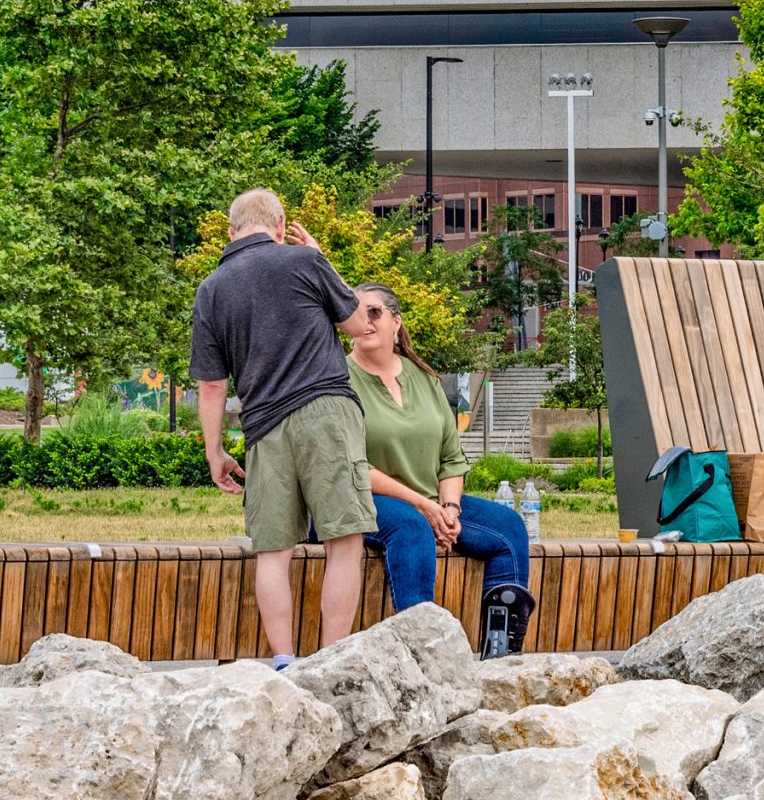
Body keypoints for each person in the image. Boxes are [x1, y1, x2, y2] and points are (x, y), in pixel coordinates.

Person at [190, 188, 374, 667]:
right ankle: (331, 661)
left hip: (261, 428)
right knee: (344, 540)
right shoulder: (304, 262)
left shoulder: (211, 289)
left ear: (231, 232)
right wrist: (321, 257)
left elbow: (211, 386)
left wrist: (215, 452)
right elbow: (357, 324)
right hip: (325, 412)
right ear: (279, 225)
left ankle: (284, 661)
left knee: (272, 550)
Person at [347, 282, 534, 655]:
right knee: (411, 526)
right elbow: (352, 465)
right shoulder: (338, 379)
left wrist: (449, 509)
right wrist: (424, 506)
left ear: (396, 322)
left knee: (509, 527)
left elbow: (451, 458)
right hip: (357, 501)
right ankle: (424, 656)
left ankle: (500, 654)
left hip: (431, 503)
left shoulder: (426, 379)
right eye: (354, 313)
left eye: (374, 312)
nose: (364, 321)